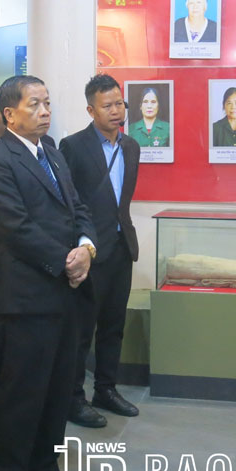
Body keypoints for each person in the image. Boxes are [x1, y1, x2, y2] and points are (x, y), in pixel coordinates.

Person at [0, 76, 97, 471]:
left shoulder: (54, 154)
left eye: (47, 102)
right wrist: (65, 260)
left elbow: (80, 209)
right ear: (9, 114)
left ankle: (45, 465)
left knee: (58, 388)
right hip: (25, 297)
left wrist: (87, 247)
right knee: (21, 393)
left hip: (66, 293)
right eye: (35, 104)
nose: (45, 111)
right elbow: (14, 226)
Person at [60, 74, 141, 430]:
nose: (115, 110)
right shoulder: (73, 146)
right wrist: (82, 244)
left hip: (122, 247)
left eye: (119, 103)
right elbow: (69, 201)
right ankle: (74, 398)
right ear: (90, 109)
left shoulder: (131, 146)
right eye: (107, 106)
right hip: (91, 251)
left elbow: (121, 200)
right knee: (81, 331)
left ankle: (106, 389)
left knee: (114, 326)